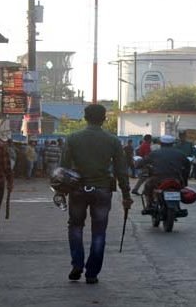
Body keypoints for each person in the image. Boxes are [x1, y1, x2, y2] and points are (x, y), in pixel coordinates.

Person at [60, 104, 132, 284]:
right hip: (102, 190)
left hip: (78, 189)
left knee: (75, 226)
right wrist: (126, 194)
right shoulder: (113, 140)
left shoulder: (73, 138)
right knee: (99, 231)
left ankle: (77, 263)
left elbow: (64, 168)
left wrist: (61, 191)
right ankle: (92, 273)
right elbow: (121, 170)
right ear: (104, 118)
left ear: (85, 118)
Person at [140, 135, 191, 211]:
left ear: (161, 143)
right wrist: (185, 179)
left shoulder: (154, 153)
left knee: (147, 187)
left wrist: (137, 165)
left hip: (158, 179)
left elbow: (142, 162)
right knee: (180, 189)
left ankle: (149, 205)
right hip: (176, 179)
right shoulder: (180, 154)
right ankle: (178, 206)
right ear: (173, 143)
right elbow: (188, 166)